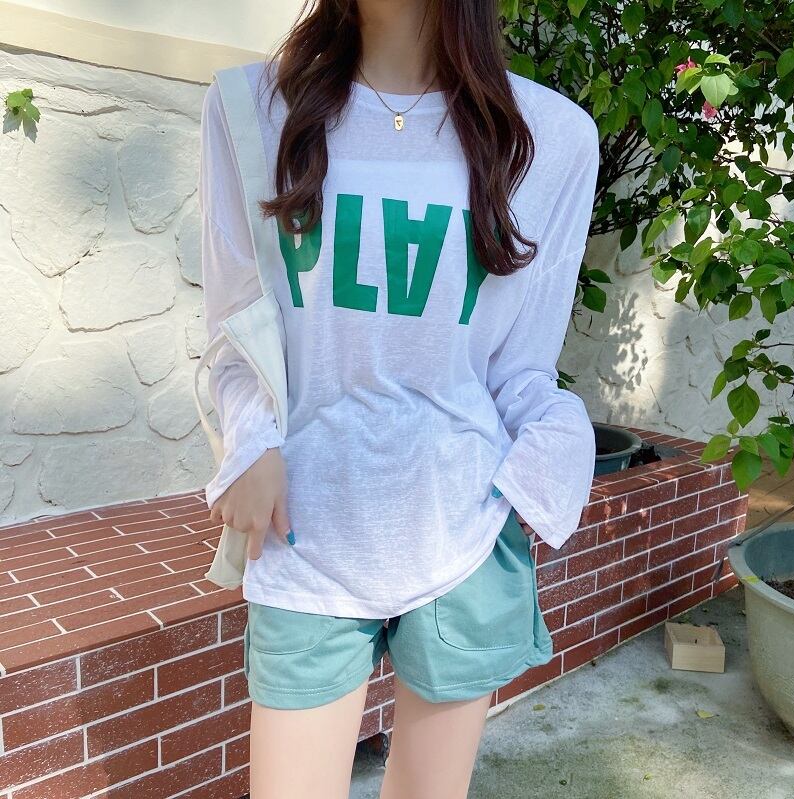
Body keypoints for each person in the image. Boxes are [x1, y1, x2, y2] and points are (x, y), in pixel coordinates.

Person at [198, 1, 600, 796]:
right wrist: (249, 440)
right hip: (305, 527)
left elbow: (523, 368)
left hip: (463, 527)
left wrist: (543, 468)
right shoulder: (250, 109)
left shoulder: (551, 137)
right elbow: (234, 330)